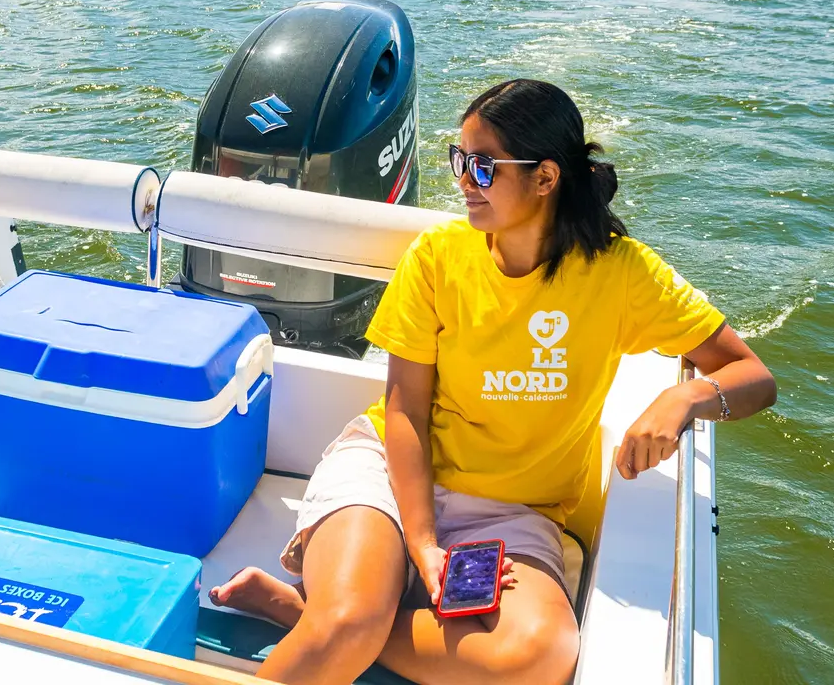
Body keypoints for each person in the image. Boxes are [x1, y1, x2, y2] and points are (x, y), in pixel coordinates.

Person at [212, 78, 777, 685]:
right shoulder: (438, 257)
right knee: (349, 621)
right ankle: (342, 623)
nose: (463, 180)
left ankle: (299, 611)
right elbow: (401, 410)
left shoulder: (622, 275)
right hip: (392, 471)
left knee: (539, 657)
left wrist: (685, 396)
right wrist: (424, 543)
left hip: (513, 512)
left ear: (545, 178)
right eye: (460, 160)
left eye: (483, 167)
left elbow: (752, 376)